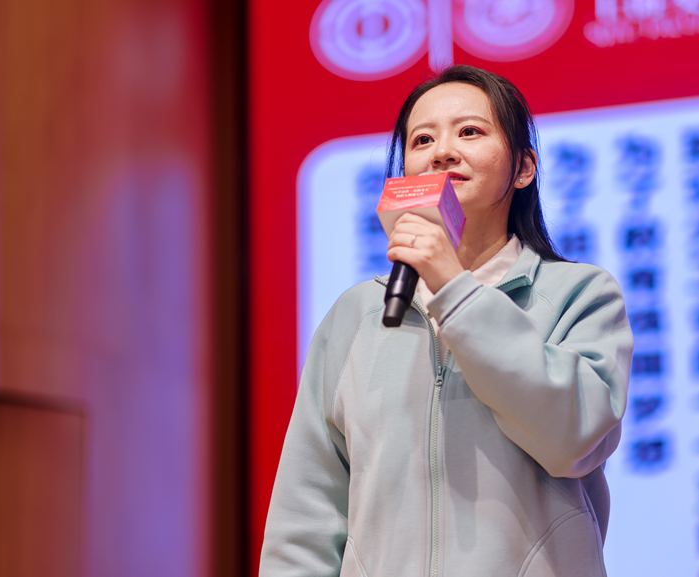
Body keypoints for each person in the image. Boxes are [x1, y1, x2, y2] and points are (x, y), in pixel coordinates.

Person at [260, 65, 634, 577]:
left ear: (524, 168)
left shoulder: (579, 294)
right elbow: (306, 514)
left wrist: (454, 289)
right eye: (422, 140)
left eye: (470, 132)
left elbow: (573, 440)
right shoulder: (358, 314)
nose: (442, 152)